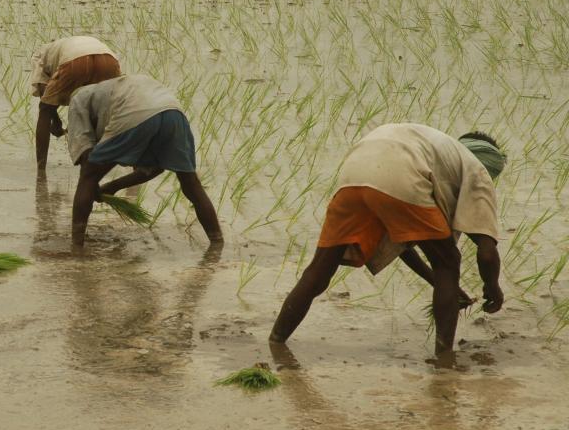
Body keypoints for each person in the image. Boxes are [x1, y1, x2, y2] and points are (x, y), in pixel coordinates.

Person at [270, 123, 507, 358]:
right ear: (490, 168)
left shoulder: (440, 153)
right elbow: (486, 252)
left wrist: (436, 282)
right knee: (448, 263)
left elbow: (401, 240)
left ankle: (276, 340)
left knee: (319, 270)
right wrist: (493, 288)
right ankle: (444, 359)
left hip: (355, 168)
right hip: (402, 170)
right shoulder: (477, 170)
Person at [66, 74, 222, 248]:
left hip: (135, 110)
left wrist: (92, 182)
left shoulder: (78, 98)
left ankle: (76, 246)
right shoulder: (113, 89)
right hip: (173, 112)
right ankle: (217, 243)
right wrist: (112, 187)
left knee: (87, 176)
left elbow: (85, 153)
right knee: (191, 183)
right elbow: (154, 168)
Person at [31, 36, 121, 171]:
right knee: (108, 112)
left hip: (75, 61)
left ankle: (41, 170)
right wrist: (56, 120)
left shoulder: (39, 55)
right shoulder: (66, 44)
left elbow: (44, 92)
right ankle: (107, 163)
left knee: (44, 110)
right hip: (108, 60)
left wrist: (55, 121)